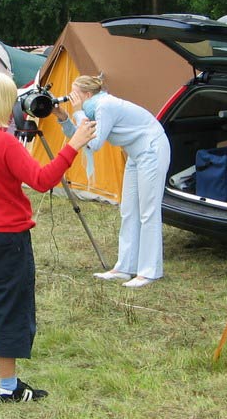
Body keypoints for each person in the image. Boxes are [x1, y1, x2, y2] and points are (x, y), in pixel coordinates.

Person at [0, 71, 96, 402]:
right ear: (4, 104)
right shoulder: (4, 143)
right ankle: (8, 385)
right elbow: (42, 180)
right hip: (8, 240)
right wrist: (73, 144)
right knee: (9, 305)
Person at [52, 74, 171, 288]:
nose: (71, 98)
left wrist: (78, 112)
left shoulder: (105, 105)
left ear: (87, 94)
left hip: (152, 149)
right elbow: (81, 137)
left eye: (75, 93)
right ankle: (124, 268)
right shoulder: (92, 110)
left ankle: (150, 271)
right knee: (128, 210)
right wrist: (63, 117)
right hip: (135, 154)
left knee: (148, 211)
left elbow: (95, 143)